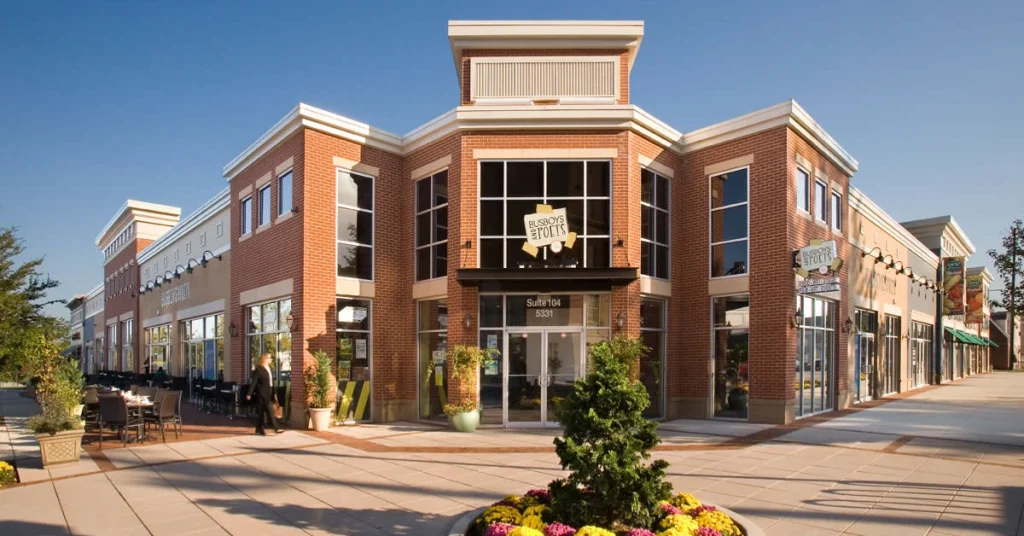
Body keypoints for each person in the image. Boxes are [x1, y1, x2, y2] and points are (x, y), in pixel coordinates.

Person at [246, 353, 283, 435]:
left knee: (260, 412)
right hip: (262, 393)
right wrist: (249, 393)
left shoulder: (269, 369)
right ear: (265, 359)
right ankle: (276, 427)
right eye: (269, 358)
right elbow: (254, 382)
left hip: (269, 391)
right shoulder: (259, 369)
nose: (271, 359)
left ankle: (258, 429)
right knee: (270, 410)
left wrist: (274, 393)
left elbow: (271, 382)